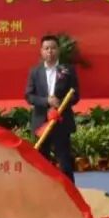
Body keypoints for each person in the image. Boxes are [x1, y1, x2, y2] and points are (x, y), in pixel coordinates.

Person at [25, 35, 80, 183]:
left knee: (65, 163)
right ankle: (43, 192)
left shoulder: (68, 70)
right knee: (41, 163)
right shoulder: (35, 72)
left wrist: (60, 103)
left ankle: (69, 192)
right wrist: (46, 101)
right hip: (41, 123)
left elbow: (76, 95)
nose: (50, 51)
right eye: (46, 48)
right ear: (41, 51)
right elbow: (29, 96)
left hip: (61, 122)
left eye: (53, 48)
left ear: (58, 50)